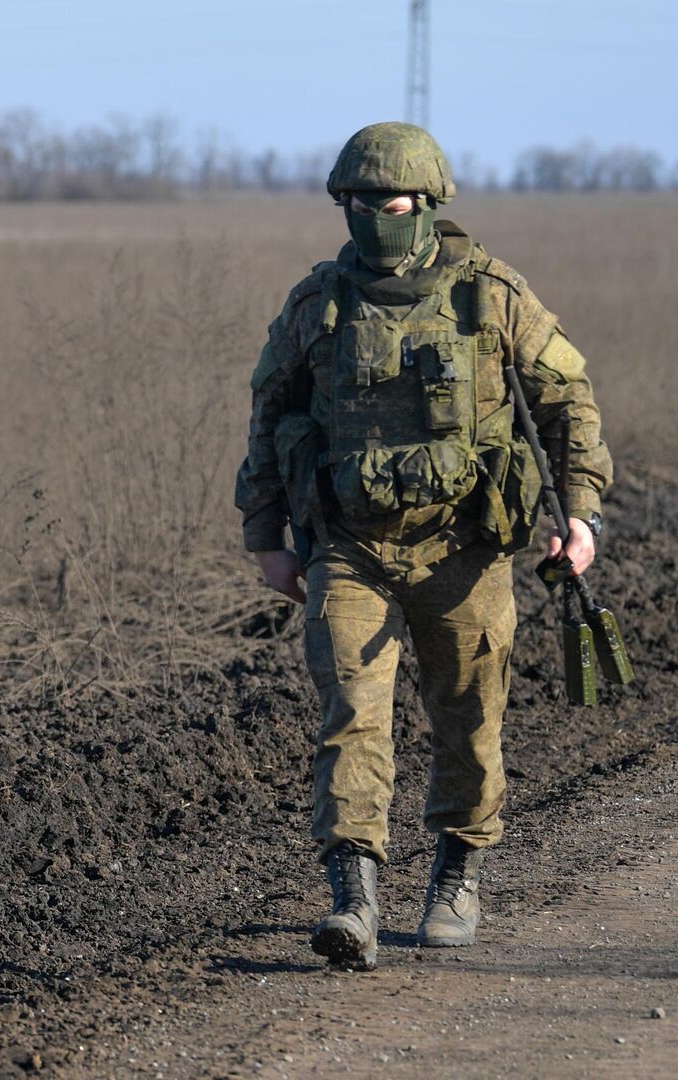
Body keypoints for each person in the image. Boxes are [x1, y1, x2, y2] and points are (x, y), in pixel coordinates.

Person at [232, 122, 611, 971]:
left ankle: (457, 873)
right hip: (349, 547)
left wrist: (577, 514)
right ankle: (353, 898)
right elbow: (268, 414)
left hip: (463, 549)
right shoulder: (319, 303)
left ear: (428, 203)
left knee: (469, 720)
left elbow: (569, 403)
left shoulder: (492, 295)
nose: (374, 216)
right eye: (358, 202)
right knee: (352, 719)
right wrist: (266, 536)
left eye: (391, 202)